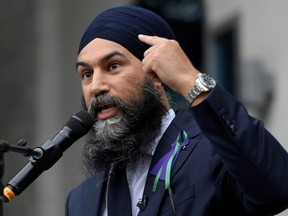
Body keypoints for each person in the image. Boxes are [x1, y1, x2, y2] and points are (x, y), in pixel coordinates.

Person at [65, 5, 288, 216]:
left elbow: (277, 188)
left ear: (157, 73)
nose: (95, 86)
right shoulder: (81, 199)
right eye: (86, 74)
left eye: (113, 66)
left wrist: (190, 80)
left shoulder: (213, 152)